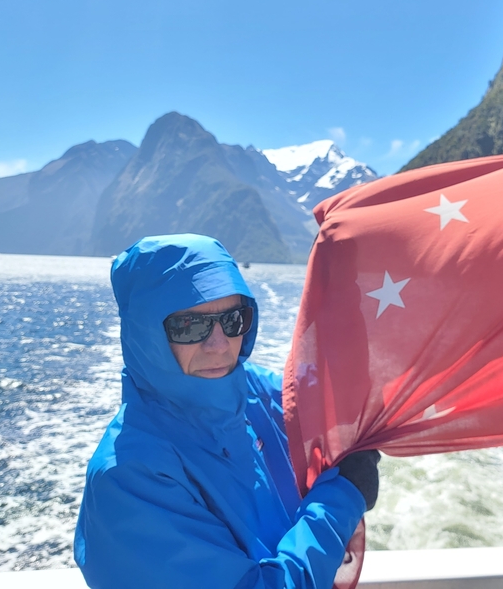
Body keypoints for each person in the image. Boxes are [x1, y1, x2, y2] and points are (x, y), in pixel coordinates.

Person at [74, 234, 380, 589]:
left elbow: (345, 391)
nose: (219, 344)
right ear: (145, 333)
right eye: (189, 325)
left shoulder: (260, 394)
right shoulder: (128, 478)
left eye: (233, 319)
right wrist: (341, 498)